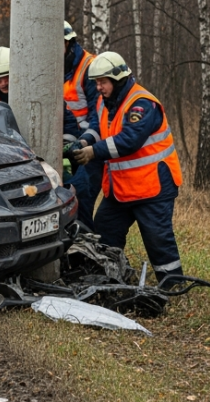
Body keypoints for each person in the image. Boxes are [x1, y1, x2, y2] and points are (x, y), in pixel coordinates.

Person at [70, 52, 184, 285]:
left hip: (152, 187)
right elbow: (97, 128)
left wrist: (93, 152)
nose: (98, 87)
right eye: (96, 83)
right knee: (104, 232)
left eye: (103, 82)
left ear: (118, 78)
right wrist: (84, 142)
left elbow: (128, 141)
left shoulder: (141, 104)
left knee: (158, 240)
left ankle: (173, 285)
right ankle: (109, 278)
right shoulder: (104, 102)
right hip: (121, 189)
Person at [62, 21, 98, 140]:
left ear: (67, 43)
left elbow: (97, 110)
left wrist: (86, 139)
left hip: (84, 135)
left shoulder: (89, 67)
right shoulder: (52, 66)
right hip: (62, 133)